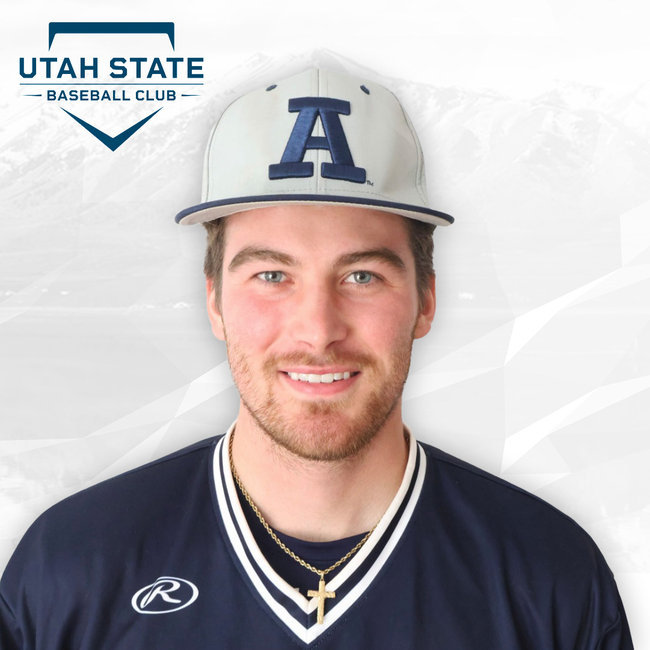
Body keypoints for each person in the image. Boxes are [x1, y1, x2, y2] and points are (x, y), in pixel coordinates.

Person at [0, 68, 633, 649]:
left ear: (425, 301)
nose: (318, 330)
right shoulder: (71, 565)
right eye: (272, 275)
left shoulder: (550, 575)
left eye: (362, 276)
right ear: (215, 302)